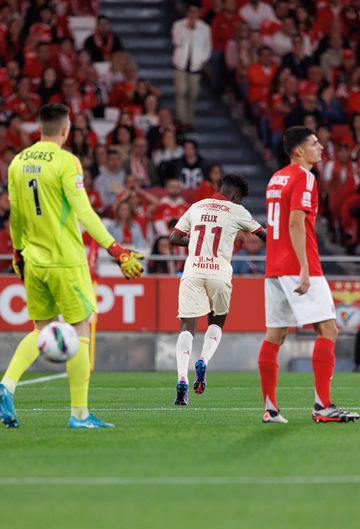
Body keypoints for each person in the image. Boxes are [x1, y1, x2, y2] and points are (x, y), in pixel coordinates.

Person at [0, 103, 143, 429]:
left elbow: (16, 216)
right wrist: (116, 249)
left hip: (33, 261)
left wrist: (18, 253)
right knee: (80, 330)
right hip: (66, 260)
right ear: (65, 130)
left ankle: (6, 384)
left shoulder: (18, 162)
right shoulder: (67, 161)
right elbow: (84, 211)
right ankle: (79, 414)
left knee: (39, 329)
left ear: (40, 128)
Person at [258, 126, 359, 424]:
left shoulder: (276, 178)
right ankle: (323, 406)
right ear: (299, 151)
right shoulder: (304, 177)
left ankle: (270, 409)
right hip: (299, 266)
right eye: (315, 144)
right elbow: (295, 223)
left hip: (274, 267)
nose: (321, 148)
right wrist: (304, 266)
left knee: (275, 335)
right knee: (328, 330)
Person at [170, 173, 265, 406]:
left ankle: (182, 378)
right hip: (219, 273)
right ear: (235, 195)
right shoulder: (236, 210)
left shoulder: (196, 206)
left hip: (192, 272)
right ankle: (203, 360)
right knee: (216, 321)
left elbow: (174, 237)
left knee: (186, 328)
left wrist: (195, 243)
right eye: (239, 198)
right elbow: (265, 236)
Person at [172, 0, 212, 129]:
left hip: (195, 65)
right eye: (191, 11)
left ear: (200, 12)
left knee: (192, 94)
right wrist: (188, 29)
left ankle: (189, 121)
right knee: (181, 92)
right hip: (181, 64)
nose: (193, 14)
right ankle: (181, 120)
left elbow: (207, 47)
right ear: (187, 12)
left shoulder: (205, 28)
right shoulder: (178, 25)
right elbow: (177, 41)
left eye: (196, 12)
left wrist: (201, 61)